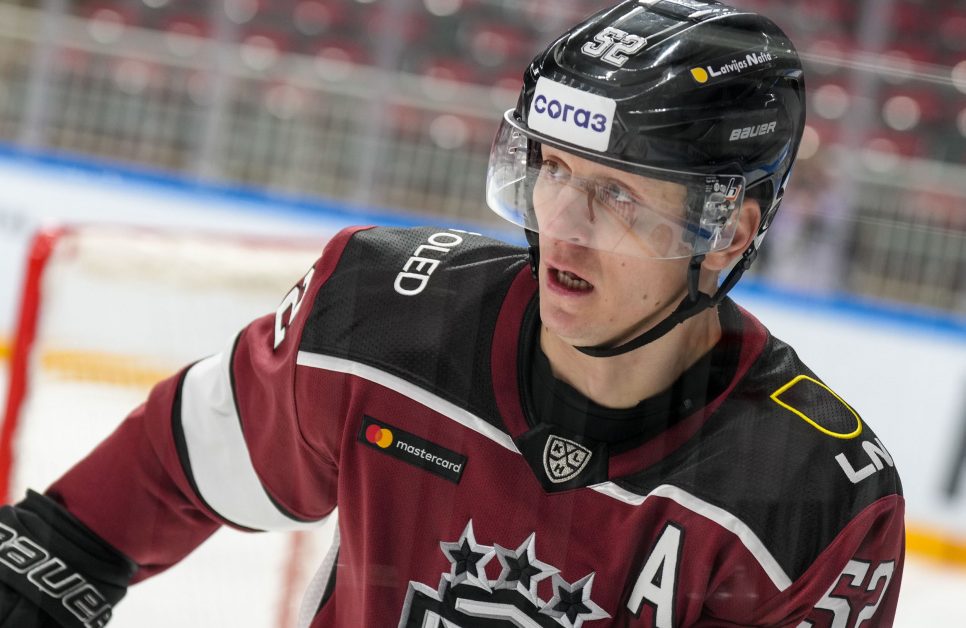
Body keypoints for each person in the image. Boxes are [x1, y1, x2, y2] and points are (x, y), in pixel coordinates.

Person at [0, 1, 905, 626]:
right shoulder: (383, 316)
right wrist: (53, 562)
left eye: (621, 195)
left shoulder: (815, 500)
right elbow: (173, 469)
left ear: (726, 232)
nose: (564, 225)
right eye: (554, 169)